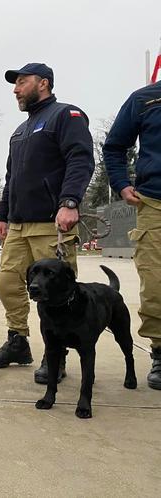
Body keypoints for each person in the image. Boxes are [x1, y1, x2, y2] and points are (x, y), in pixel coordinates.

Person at [0, 63, 95, 384]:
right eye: (14, 84)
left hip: (52, 223)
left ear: (43, 83)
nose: (15, 89)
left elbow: (81, 158)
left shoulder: (65, 116)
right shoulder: (20, 131)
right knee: (7, 283)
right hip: (18, 225)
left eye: (21, 82)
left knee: (56, 293)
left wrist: (69, 201)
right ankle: (18, 341)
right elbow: (11, 178)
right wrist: (3, 214)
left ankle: (55, 355)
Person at [103, 78, 161, 390]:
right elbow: (114, 146)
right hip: (154, 201)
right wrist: (121, 183)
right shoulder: (144, 99)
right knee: (155, 283)